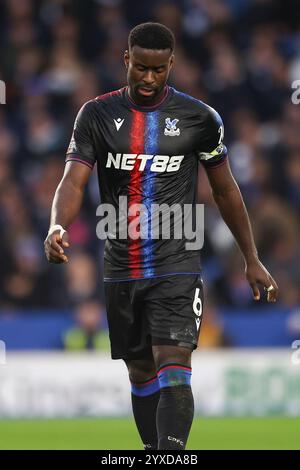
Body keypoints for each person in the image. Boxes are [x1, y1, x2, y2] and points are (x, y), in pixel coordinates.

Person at [44, 22, 278, 450]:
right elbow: (73, 181)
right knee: (139, 370)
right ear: (126, 60)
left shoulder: (200, 118)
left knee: (173, 359)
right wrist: (57, 223)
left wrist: (251, 257)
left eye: (159, 69)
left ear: (172, 64)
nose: (149, 78)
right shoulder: (96, 114)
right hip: (121, 263)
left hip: (177, 260)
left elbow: (226, 190)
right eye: (141, 68)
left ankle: (171, 456)